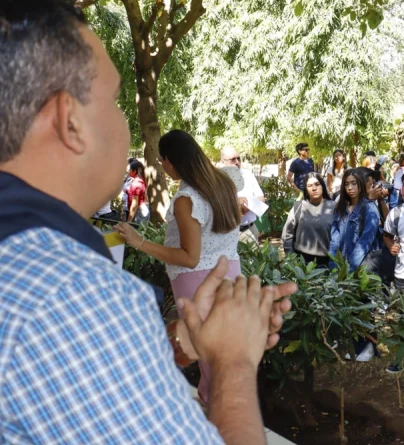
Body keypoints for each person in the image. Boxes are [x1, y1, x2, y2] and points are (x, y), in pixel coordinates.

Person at [0, 4, 294, 443]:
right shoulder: (75, 297)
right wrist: (234, 361)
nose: (126, 125)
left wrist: (180, 342)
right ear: (70, 121)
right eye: (116, 102)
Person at [116, 129, 243, 405]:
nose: (161, 166)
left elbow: (189, 257)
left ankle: (217, 412)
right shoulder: (224, 183)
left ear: (170, 160)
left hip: (198, 281)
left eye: (162, 160)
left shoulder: (187, 199)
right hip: (230, 272)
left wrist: (139, 243)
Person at [329, 170, 382, 272]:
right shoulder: (341, 207)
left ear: (361, 184)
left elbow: (365, 241)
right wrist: (333, 265)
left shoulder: (369, 208)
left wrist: (349, 269)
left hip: (362, 267)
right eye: (346, 184)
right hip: (341, 265)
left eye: (354, 183)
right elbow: (334, 239)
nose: (350, 188)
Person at [282, 172, 336, 266]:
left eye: (317, 184)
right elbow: (287, 235)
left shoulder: (334, 207)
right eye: (310, 185)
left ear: (323, 186)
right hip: (302, 262)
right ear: (306, 189)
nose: (314, 188)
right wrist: (292, 259)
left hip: (327, 262)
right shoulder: (298, 207)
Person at [220, 146, 266, 244]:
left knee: (254, 259)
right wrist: (236, 206)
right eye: (233, 159)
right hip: (226, 233)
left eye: (238, 159)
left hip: (249, 230)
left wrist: (246, 207)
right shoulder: (217, 179)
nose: (237, 162)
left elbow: (261, 198)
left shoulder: (248, 175)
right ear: (223, 161)